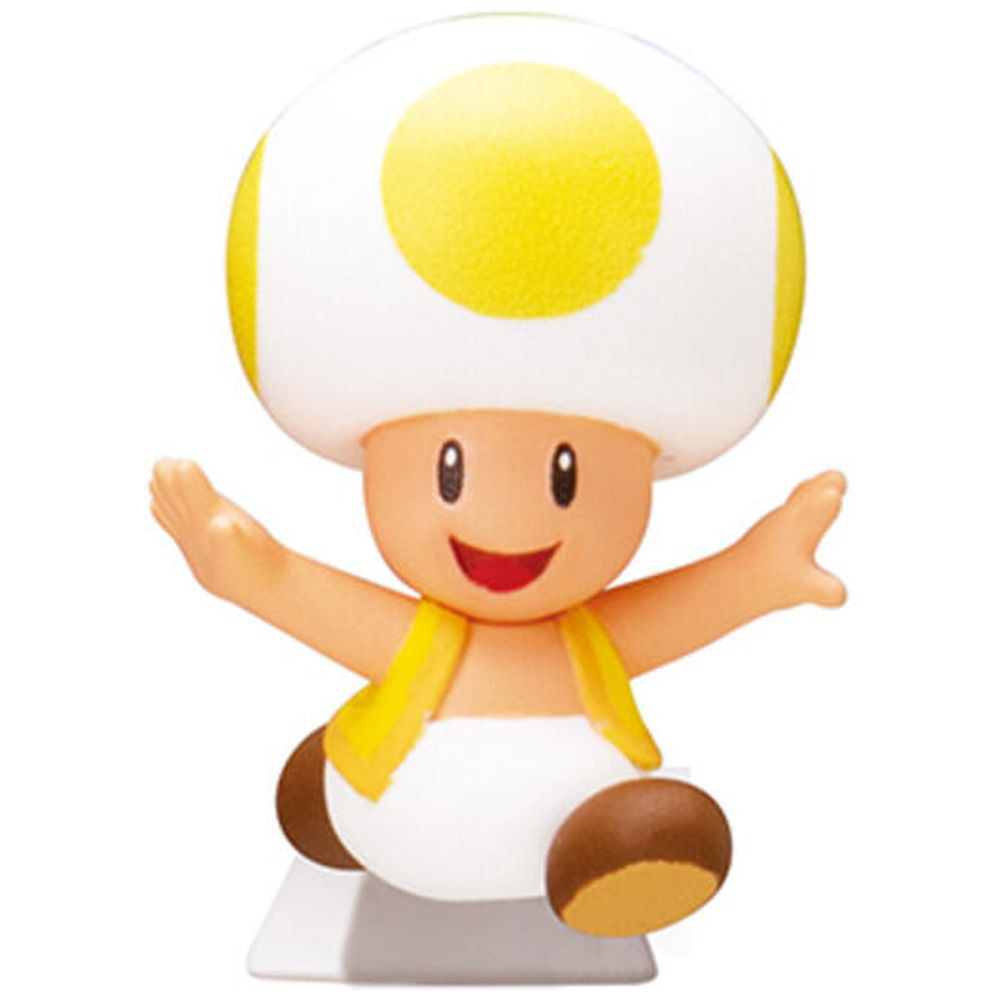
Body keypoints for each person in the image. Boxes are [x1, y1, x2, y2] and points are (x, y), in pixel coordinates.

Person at [150, 15, 845, 938]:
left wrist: (756, 573)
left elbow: (679, 613)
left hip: (569, 832)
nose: (508, 520)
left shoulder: (577, 638)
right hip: (392, 834)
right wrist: (238, 565)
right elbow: (291, 590)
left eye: (565, 476)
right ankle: (341, 798)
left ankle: (616, 861)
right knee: (361, 757)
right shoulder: (421, 638)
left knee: (611, 821)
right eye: (452, 472)